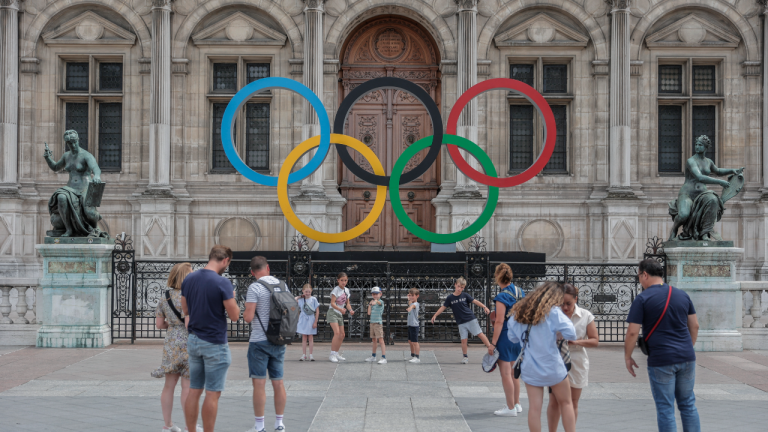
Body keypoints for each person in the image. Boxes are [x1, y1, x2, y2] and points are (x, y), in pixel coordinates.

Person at [625, 259, 700, 432]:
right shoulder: (682, 294)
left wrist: (627, 357)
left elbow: (632, 333)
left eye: (639, 276)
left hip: (661, 359)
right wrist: (688, 347)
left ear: (644, 274)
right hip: (687, 357)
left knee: (666, 408)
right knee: (688, 404)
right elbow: (694, 325)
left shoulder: (642, 299)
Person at [181, 245, 241, 432]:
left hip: (194, 340)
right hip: (214, 342)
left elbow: (185, 310)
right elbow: (235, 316)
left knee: (194, 390)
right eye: (227, 263)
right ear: (225, 260)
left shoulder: (189, 278)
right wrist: (233, 297)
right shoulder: (222, 283)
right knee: (212, 393)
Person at [507, 281, 577, 432]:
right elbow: (572, 333)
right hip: (553, 366)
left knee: (534, 409)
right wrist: (557, 334)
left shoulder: (517, 313)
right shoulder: (553, 312)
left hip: (530, 367)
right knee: (566, 403)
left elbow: (512, 338)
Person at [152, 262, 203, 432]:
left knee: (169, 386)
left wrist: (172, 325)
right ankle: (191, 425)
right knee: (187, 387)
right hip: (190, 341)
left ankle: (168, 425)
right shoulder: (193, 295)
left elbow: (159, 324)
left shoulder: (164, 297)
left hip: (172, 342)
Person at [244, 256, 289, 432]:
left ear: (252, 272)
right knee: (278, 382)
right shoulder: (283, 285)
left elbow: (248, 317)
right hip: (279, 339)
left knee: (259, 384)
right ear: (268, 268)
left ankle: (260, 426)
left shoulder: (255, 287)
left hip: (259, 341)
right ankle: (279, 424)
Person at [546, 283, 598, 431]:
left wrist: (576, 341)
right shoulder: (552, 314)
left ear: (576, 299)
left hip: (577, 359)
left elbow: (595, 340)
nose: (565, 308)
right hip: (556, 359)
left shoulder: (585, 315)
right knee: (554, 401)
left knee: (573, 402)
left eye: (568, 303)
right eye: (561, 304)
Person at [430, 277, 493, 364]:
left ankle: (491, 350)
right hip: (461, 322)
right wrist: (435, 315)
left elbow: (475, 301)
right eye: (459, 286)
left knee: (480, 334)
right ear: (455, 285)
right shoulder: (450, 298)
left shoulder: (465, 295)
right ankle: (465, 357)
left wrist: (484, 307)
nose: (460, 289)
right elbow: (443, 307)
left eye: (462, 287)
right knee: (464, 340)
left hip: (470, 318)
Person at [489, 263, 525, 417]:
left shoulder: (502, 296)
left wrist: (493, 343)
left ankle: (510, 408)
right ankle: (516, 404)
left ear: (498, 277)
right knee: (513, 373)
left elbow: (499, 321)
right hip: (518, 336)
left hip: (505, 337)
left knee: (505, 374)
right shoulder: (520, 291)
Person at [328, 272, 354, 363]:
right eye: (342, 280)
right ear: (338, 280)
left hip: (339, 313)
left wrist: (350, 310)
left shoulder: (346, 290)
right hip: (333, 312)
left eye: (345, 280)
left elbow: (347, 303)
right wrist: (340, 309)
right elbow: (332, 303)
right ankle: (332, 354)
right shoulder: (336, 290)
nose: (344, 282)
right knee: (337, 333)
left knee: (342, 335)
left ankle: (336, 353)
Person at [295, 283, 319, 362]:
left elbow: (317, 311)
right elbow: (294, 300)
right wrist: (300, 296)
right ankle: (304, 354)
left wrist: (315, 322)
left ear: (311, 291)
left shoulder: (313, 299)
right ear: (303, 291)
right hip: (303, 319)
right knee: (304, 337)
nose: (307, 293)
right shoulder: (301, 299)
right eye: (306, 292)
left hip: (311, 319)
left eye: (309, 291)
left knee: (310, 338)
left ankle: (311, 355)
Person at [365, 286, 387, 364]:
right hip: (372, 323)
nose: (375, 295)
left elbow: (379, 303)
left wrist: (375, 301)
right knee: (374, 340)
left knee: (381, 340)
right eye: (373, 294)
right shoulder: (372, 302)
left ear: (380, 294)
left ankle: (384, 357)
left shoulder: (381, 302)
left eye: (377, 294)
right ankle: (373, 356)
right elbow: (369, 313)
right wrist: (370, 305)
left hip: (378, 323)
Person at [407, 288, 421, 364]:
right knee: (410, 341)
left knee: (415, 342)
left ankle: (417, 357)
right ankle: (413, 355)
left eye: (413, 296)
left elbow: (412, 306)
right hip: (410, 324)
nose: (411, 297)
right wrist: (408, 298)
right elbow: (410, 303)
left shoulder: (415, 304)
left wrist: (410, 308)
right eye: (410, 295)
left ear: (417, 296)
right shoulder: (411, 302)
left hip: (414, 325)